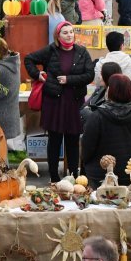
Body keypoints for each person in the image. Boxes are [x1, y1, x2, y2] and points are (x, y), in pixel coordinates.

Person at [24, 22, 94, 180]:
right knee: (54, 140)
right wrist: (37, 75)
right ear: (58, 36)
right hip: (54, 102)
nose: (69, 35)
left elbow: (89, 75)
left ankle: (74, 176)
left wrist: (69, 79)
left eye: (71, 32)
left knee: (73, 140)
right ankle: (54, 177)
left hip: (74, 102)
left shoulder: (82, 52)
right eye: (65, 32)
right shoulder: (51, 50)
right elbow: (29, 59)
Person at [81, 74, 131, 189]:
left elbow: (87, 148)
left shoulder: (97, 116)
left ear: (111, 91)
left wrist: (87, 165)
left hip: (100, 175)